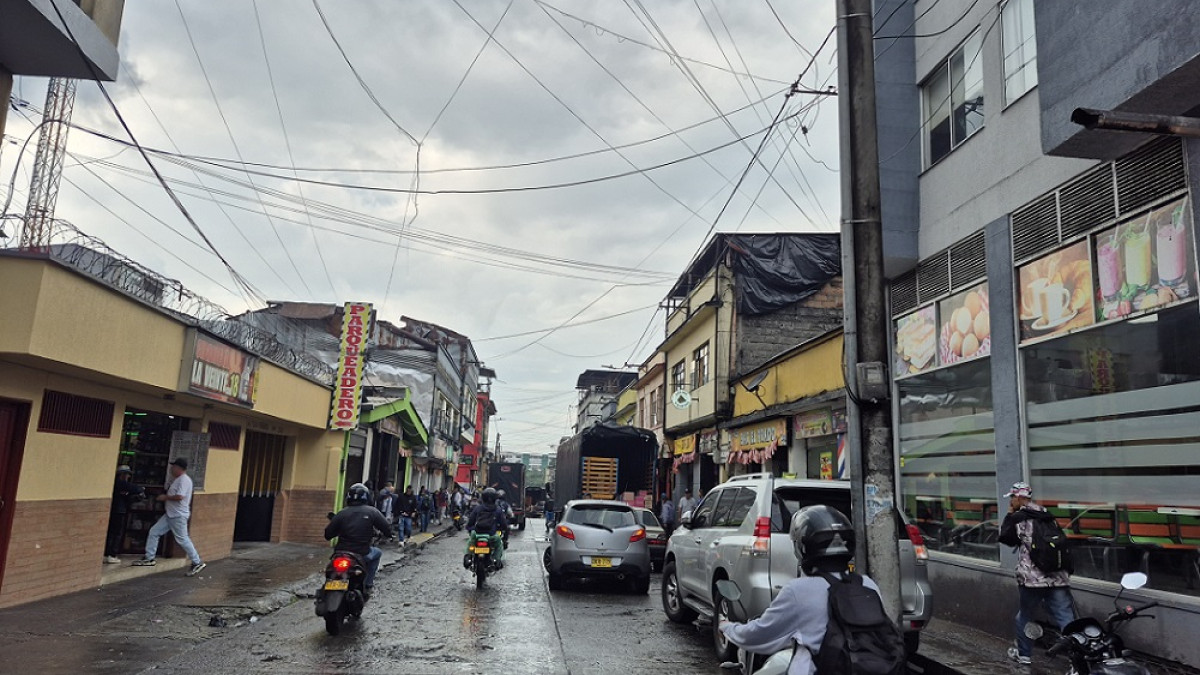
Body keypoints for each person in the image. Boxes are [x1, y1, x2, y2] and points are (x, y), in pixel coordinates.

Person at [720, 505, 882, 675]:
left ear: (802, 546)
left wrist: (728, 628)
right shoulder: (868, 585)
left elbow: (760, 635)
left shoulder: (799, 591)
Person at [998, 481, 1076, 666]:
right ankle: (1077, 659)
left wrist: (1010, 515)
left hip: (1032, 578)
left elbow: (1006, 538)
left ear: (1018, 497)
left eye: (1012, 498)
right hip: (1057, 576)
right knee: (1066, 619)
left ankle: (1024, 655)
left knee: (1024, 615)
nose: (1010, 502)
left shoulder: (1019, 517)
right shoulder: (1047, 515)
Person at [132, 458, 206, 576]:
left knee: (182, 539)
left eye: (173, 467)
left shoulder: (184, 480)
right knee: (154, 532)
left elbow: (180, 496)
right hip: (171, 514)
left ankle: (197, 562)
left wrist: (165, 497)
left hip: (178, 515)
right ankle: (149, 558)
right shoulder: (178, 480)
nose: (171, 469)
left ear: (178, 468)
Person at [325, 482, 391, 598]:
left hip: (340, 552)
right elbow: (386, 528)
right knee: (378, 553)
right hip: (362, 552)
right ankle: (368, 585)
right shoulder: (372, 512)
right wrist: (389, 534)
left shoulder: (342, 513)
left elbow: (327, 534)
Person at [104, 465, 145, 563]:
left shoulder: (120, 485)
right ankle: (111, 554)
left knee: (113, 533)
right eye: (127, 474)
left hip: (118, 510)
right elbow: (136, 489)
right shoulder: (120, 483)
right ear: (122, 475)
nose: (128, 477)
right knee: (116, 533)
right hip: (118, 511)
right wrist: (141, 489)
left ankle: (108, 553)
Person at [464, 487, 509, 569]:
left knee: (470, 543)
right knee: (499, 545)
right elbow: (504, 524)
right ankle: (496, 560)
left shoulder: (478, 508)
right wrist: (505, 534)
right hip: (491, 535)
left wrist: (470, 529)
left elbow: (471, 521)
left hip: (477, 534)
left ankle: (468, 557)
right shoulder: (498, 510)